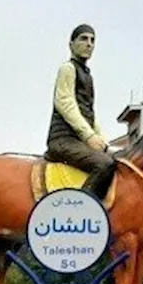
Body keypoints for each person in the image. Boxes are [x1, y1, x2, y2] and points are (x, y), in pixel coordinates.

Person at [45, 23, 116, 200]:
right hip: (63, 140)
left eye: (93, 40)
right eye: (83, 39)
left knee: (116, 160)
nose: (89, 44)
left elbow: (89, 114)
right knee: (105, 164)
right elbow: (65, 103)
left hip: (79, 141)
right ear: (71, 44)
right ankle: (82, 210)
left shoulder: (87, 75)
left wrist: (103, 142)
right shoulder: (68, 69)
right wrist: (89, 136)